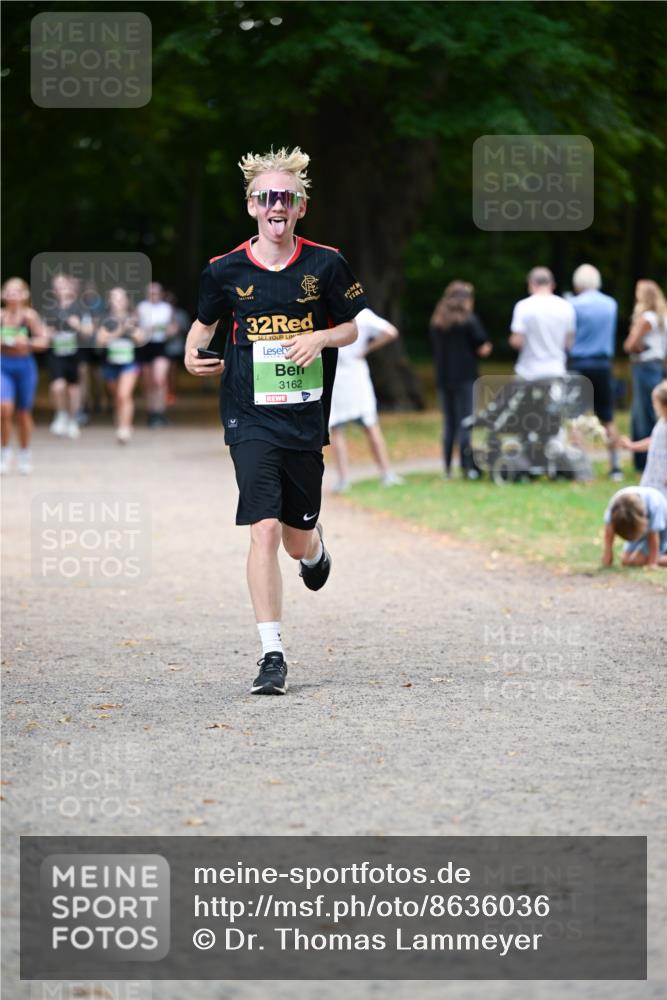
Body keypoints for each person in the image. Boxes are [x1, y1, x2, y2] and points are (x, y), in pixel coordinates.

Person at [184, 146, 367, 695]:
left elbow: (353, 329)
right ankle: (271, 653)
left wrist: (320, 335)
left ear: (301, 206)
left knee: (294, 540)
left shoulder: (326, 263)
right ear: (252, 206)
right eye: (267, 197)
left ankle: (315, 549)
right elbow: (202, 327)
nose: (276, 205)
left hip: (305, 418)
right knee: (261, 528)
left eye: (286, 197)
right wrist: (192, 354)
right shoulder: (224, 270)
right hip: (248, 415)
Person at [328, 307, 403, 492]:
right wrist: (366, 349)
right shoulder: (363, 314)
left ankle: (344, 479)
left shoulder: (329, 313)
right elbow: (390, 332)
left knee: (337, 428)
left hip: (337, 373)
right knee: (370, 425)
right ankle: (386, 472)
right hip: (354, 370)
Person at [429, 281, 492, 479]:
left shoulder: (437, 321)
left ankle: (447, 468)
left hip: (443, 377)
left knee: (449, 423)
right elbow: (483, 346)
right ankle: (467, 467)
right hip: (466, 378)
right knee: (465, 422)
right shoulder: (469, 320)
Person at [569, 264, 622, 480]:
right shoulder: (610, 304)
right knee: (607, 416)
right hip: (603, 364)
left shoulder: (573, 305)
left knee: (576, 417)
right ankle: (616, 465)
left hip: (579, 363)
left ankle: (582, 466)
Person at [0, 277, 48, 474]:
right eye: (9, 292)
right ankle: (4, 451)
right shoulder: (0, 316)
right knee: (4, 409)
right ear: (3, 295)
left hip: (25, 365)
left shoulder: (29, 316)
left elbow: (43, 342)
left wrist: (26, 343)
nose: (12, 296)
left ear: (24, 295)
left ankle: (25, 454)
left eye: (16, 292)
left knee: (23, 413)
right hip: (3, 364)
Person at [623, 280, 667, 472]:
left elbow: (629, 345)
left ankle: (643, 461)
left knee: (642, 413)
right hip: (656, 366)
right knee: (652, 411)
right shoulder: (662, 318)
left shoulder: (646, 318)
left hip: (643, 366)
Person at [43, 273, 91, 439]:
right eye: (57, 285)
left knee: (74, 389)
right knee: (58, 386)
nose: (61, 288)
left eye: (64, 285)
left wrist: (77, 326)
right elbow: (42, 332)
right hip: (56, 354)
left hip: (75, 353)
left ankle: (73, 420)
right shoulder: (49, 309)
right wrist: (47, 334)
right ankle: (61, 414)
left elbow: (89, 332)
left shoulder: (80, 308)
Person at [509, 267, 575, 381]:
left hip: (528, 372)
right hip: (556, 370)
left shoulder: (523, 306)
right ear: (552, 284)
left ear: (531, 283)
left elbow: (517, 341)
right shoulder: (566, 307)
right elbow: (569, 343)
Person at [97, 287, 143, 444]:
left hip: (129, 363)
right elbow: (100, 342)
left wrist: (131, 330)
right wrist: (119, 330)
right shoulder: (105, 320)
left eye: (120, 298)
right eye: (114, 298)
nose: (117, 302)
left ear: (126, 301)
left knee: (124, 395)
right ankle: (121, 423)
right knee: (116, 397)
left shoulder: (133, 318)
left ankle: (125, 427)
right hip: (110, 363)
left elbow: (141, 339)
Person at [619, 380, 667, 500]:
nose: (653, 406)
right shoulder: (661, 423)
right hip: (654, 472)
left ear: (665, 406)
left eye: (655, 403)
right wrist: (632, 446)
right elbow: (653, 441)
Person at [137, 282, 176, 427]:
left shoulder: (166, 308)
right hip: (145, 346)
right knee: (148, 383)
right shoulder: (141, 307)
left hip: (161, 346)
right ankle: (151, 412)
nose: (153, 296)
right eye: (151, 293)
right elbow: (134, 326)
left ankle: (160, 412)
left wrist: (170, 330)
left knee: (159, 380)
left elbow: (173, 326)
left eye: (156, 293)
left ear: (161, 294)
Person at [602, 485, 667, 568]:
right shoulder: (617, 503)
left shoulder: (654, 504)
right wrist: (608, 553)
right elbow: (609, 527)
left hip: (662, 531)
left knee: (636, 560)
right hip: (637, 526)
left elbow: (654, 536)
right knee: (626, 560)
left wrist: (652, 562)